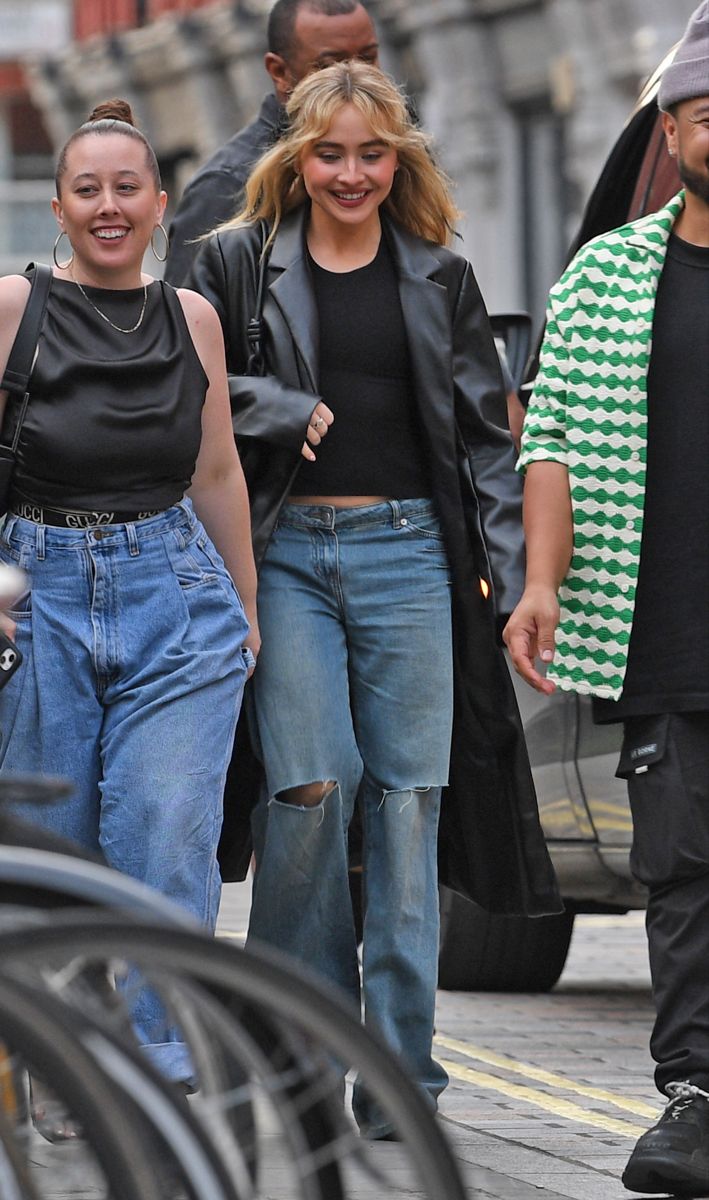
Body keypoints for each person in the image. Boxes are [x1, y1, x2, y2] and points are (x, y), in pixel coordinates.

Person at [188, 58, 559, 1139]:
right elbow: (189, 381)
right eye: (329, 153)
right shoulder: (234, 264)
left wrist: (508, 588)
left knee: (408, 811)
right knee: (310, 791)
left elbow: (490, 449)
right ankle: (296, 1047)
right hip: (288, 553)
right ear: (295, 158)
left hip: (411, 561)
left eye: (371, 152)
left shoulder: (438, 275)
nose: (350, 173)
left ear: (399, 159)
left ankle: (401, 1076)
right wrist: (269, 401)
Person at [0, 99, 260, 1098]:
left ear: (159, 205)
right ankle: (66, 1068)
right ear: (60, 209)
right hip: (41, 589)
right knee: (53, 851)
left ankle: (159, 1072)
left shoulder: (192, 318)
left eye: (126, 189)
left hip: (176, 593)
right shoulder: (17, 306)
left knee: (165, 824)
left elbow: (219, 469)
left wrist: (242, 605)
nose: (108, 207)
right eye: (86, 190)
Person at [504, 3, 709, 1194]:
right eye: (698, 113)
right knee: (681, 869)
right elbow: (557, 446)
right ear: (670, 131)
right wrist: (536, 585)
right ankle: (692, 1093)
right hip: (665, 614)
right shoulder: (610, 271)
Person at [164, 0, 379, 286]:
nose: (356, 79)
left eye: (368, 59)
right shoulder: (227, 186)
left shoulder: (398, 161)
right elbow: (185, 322)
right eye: (330, 66)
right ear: (279, 72)